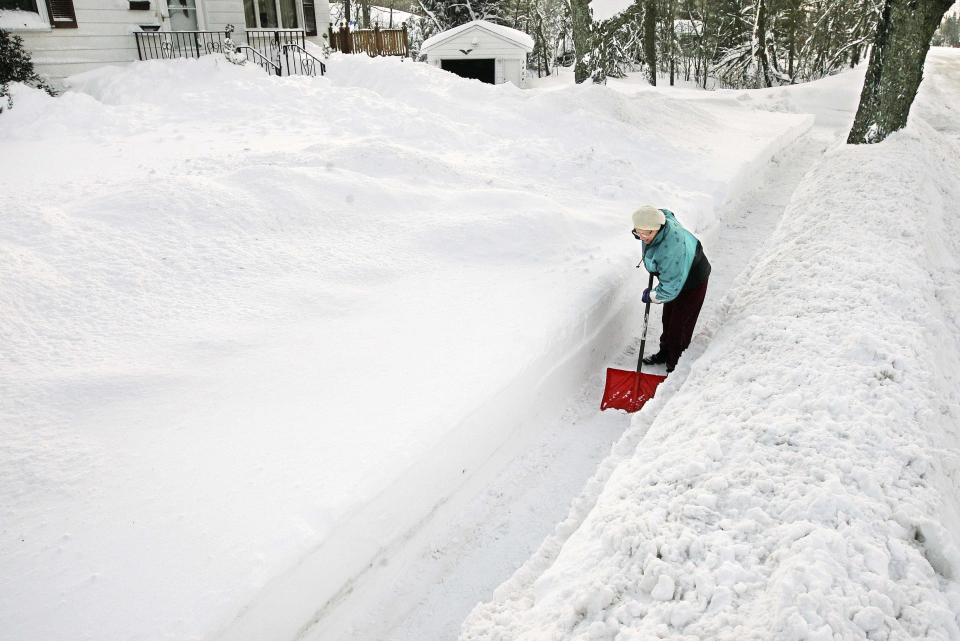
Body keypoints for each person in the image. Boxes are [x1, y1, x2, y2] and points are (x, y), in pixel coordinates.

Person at [631, 205, 711, 374]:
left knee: (679, 326)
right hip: (674, 276)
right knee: (668, 320)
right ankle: (664, 353)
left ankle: (675, 364)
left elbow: (669, 290)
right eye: (639, 232)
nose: (643, 237)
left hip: (692, 280)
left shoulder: (672, 249)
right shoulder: (659, 222)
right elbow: (667, 213)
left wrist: (653, 296)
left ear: (658, 228)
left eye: (648, 233)